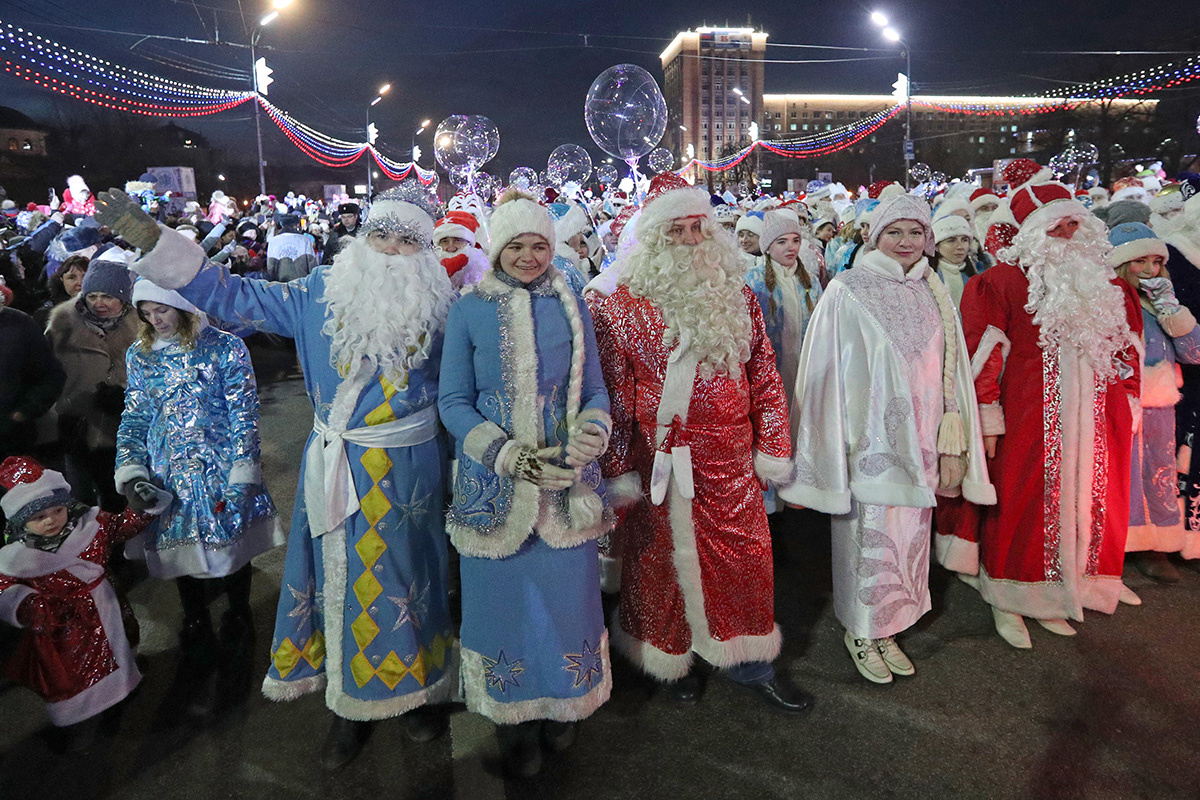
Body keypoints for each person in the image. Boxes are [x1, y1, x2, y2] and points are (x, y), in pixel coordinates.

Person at [95, 183, 458, 769]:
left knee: (412, 580)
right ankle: (348, 706)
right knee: (340, 582)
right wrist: (157, 242)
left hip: (412, 471)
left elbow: (469, 390)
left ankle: (418, 695)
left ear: (426, 250)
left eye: (407, 240)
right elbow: (230, 295)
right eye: (381, 235)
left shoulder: (446, 307)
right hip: (337, 466)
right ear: (363, 240)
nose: (391, 249)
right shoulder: (318, 292)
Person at [594, 173, 812, 715]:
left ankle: (748, 661)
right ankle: (667, 658)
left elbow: (764, 376)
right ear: (654, 238)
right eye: (678, 229)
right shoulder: (619, 305)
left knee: (744, 556)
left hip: (731, 458)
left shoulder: (738, 296)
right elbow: (616, 398)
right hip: (657, 459)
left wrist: (773, 446)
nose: (692, 239)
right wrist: (620, 469)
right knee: (659, 562)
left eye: (699, 227)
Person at [782, 194, 994, 683]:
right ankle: (861, 629)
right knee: (868, 536)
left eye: (915, 233)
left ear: (928, 239)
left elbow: (950, 369)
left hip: (920, 444)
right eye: (895, 232)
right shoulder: (847, 289)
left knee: (910, 538)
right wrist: (829, 446)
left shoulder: (931, 289)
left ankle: (890, 627)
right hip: (870, 445)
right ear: (876, 236)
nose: (906, 242)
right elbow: (824, 371)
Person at [439, 189, 612, 778]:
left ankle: (564, 702)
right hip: (494, 484)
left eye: (540, 244)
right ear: (497, 247)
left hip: (567, 478)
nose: (530, 256)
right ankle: (511, 718)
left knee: (567, 601)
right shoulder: (467, 308)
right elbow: (453, 404)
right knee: (502, 604)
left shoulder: (572, 303)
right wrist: (507, 456)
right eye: (517, 244)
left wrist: (594, 428)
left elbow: (594, 390)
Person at [957, 160, 1143, 649]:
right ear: (1034, 233)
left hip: (1098, 416)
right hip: (1029, 417)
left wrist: (1129, 403)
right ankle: (1013, 594)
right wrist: (988, 415)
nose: (1068, 230)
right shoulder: (1001, 283)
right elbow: (983, 354)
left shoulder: (1109, 287)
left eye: (1073, 221)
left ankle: (1083, 581)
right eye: (1056, 224)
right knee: (1022, 500)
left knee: (1095, 495)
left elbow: (1127, 350)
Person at [115, 278, 284, 665]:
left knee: (231, 543)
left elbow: (243, 412)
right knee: (178, 550)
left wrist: (242, 468)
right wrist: (131, 468)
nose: (155, 320)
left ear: (184, 307)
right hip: (166, 470)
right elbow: (136, 413)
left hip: (219, 465)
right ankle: (194, 616)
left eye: (163, 310)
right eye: (147, 313)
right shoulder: (140, 354)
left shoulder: (225, 347)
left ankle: (239, 611)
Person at [0, 456, 167, 751]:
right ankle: (78, 721)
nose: (51, 520)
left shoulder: (92, 525)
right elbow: (5, 586)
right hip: (63, 631)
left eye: (57, 510)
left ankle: (122, 692)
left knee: (122, 649)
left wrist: (141, 509)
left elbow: (121, 527)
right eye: (38, 517)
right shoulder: (15, 559)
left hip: (108, 606)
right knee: (70, 678)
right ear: (20, 522)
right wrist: (27, 604)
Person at [1107, 222, 1200, 582]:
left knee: (1157, 471)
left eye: (1156, 262)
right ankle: (1119, 543)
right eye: (1139, 262)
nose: (1149, 270)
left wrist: (1172, 311)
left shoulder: (1164, 300)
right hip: (1120, 401)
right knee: (1121, 474)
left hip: (1160, 401)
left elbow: (1194, 354)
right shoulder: (1107, 299)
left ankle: (1155, 545)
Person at [45, 248, 139, 512]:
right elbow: (46, 371)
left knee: (131, 493)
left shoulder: (141, 324)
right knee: (92, 496)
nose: (99, 302)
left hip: (130, 424)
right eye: (93, 295)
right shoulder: (62, 323)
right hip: (80, 426)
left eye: (107, 296)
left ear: (122, 297)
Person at [929, 214, 979, 307]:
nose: (960, 247)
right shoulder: (928, 278)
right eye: (951, 240)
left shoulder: (978, 275)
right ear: (936, 246)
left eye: (964, 240)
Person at [433, 210, 488, 291]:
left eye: (458, 240)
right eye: (445, 242)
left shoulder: (484, 271)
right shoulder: (429, 271)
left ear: (469, 244)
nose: (451, 247)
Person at [266, 213, 318, 282]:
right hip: (301, 284)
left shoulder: (273, 241)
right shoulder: (305, 240)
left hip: (280, 284)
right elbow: (312, 265)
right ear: (296, 225)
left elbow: (270, 267)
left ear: (282, 225)